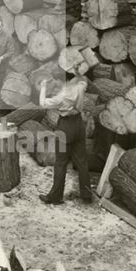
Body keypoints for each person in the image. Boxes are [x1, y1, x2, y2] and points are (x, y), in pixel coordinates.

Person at [37, 73, 92, 204]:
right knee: (82, 162)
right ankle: (87, 195)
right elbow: (83, 80)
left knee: (61, 163)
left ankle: (55, 197)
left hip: (65, 126)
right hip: (78, 125)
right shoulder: (80, 86)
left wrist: (43, 87)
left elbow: (43, 103)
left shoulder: (61, 96)